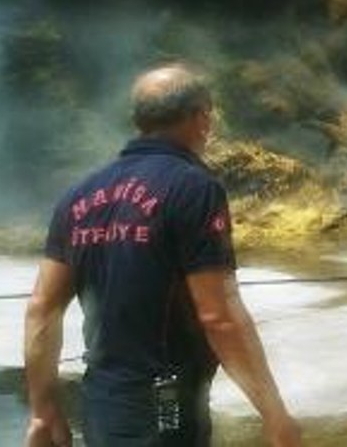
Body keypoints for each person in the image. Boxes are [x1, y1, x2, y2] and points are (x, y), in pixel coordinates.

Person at [23, 65, 300, 447]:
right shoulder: (194, 189)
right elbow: (218, 315)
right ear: (202, 118)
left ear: (138, 120)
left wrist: (43, 411)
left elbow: (42, 308)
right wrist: (275, 414)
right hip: (165, 403)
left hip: (102, 400)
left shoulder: (79, 196)